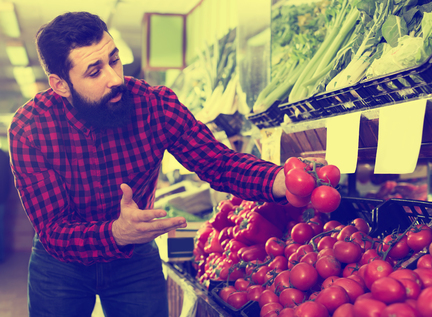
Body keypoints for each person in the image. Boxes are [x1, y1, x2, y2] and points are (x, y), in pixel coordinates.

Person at [7, 12, 288, 317]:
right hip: (60, 264)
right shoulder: (30, 128)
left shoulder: (154, 105)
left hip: (134, 258)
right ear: (60, 85)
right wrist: (114, 233)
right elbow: (54, 229)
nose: (115, 79)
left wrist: (278, 180)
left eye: (114, 60)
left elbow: (218, 163)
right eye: (94, 71)